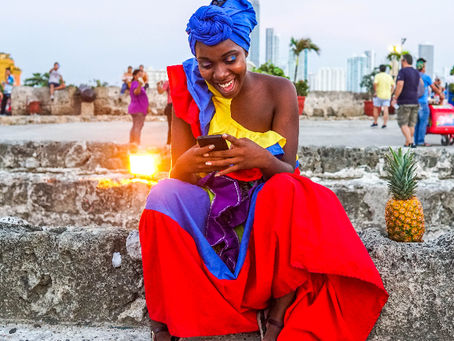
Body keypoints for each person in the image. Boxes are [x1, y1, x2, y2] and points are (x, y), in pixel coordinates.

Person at [139, 1, 388, 340]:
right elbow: (179, 176)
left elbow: (287, 168)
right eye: (206, 64)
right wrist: (185, 165)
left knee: (287, 189)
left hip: (263, 213)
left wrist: (260, 159)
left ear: (244, 51)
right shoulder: (188, 91)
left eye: (231, 59)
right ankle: (166, 320)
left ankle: (277, 315)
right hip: (211, 207)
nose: (221, 74)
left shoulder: (279, 90)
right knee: (161, 195)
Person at [391, 54, 421, 147]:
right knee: (411, 124)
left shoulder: (403, 72)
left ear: (404, 60)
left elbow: (400, 84)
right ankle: (407, 143)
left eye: (401, 60)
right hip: (415, 101)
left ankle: (411, 142)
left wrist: (395, 97)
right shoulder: (416, 72)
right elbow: (421, 86)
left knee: (403, 123)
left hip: (404, 101)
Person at [414, 58, 444, 147]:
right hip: (423, 103)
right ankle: (420, 141)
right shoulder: (426, 77)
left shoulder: (413, 76)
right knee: (423, 122)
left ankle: (416, 141)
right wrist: (441, 94)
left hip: (414, 102)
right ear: (423, 67)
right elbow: (434, 88)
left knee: (416, 123)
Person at [128, 69, 149, 146]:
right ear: (134, 76)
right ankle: (136, 143)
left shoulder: (136, 83)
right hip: (138, 108)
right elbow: (136, 92)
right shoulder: (136, 84)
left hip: (137, 108)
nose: (141, 76)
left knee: (135, 126)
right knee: (138, 127)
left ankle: (132, 143)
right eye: (139, 75)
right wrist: (140, 85)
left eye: (141, 75)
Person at [157, 80, 173, 144]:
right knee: (171, 126)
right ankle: (169, 143)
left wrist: (158, 85)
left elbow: (160, 91)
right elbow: (161, 91)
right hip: (172, 105)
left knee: (171, 126)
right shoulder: (168, 82)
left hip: (172, 105)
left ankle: (169, 143)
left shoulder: (168, 82)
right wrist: (158, 85)